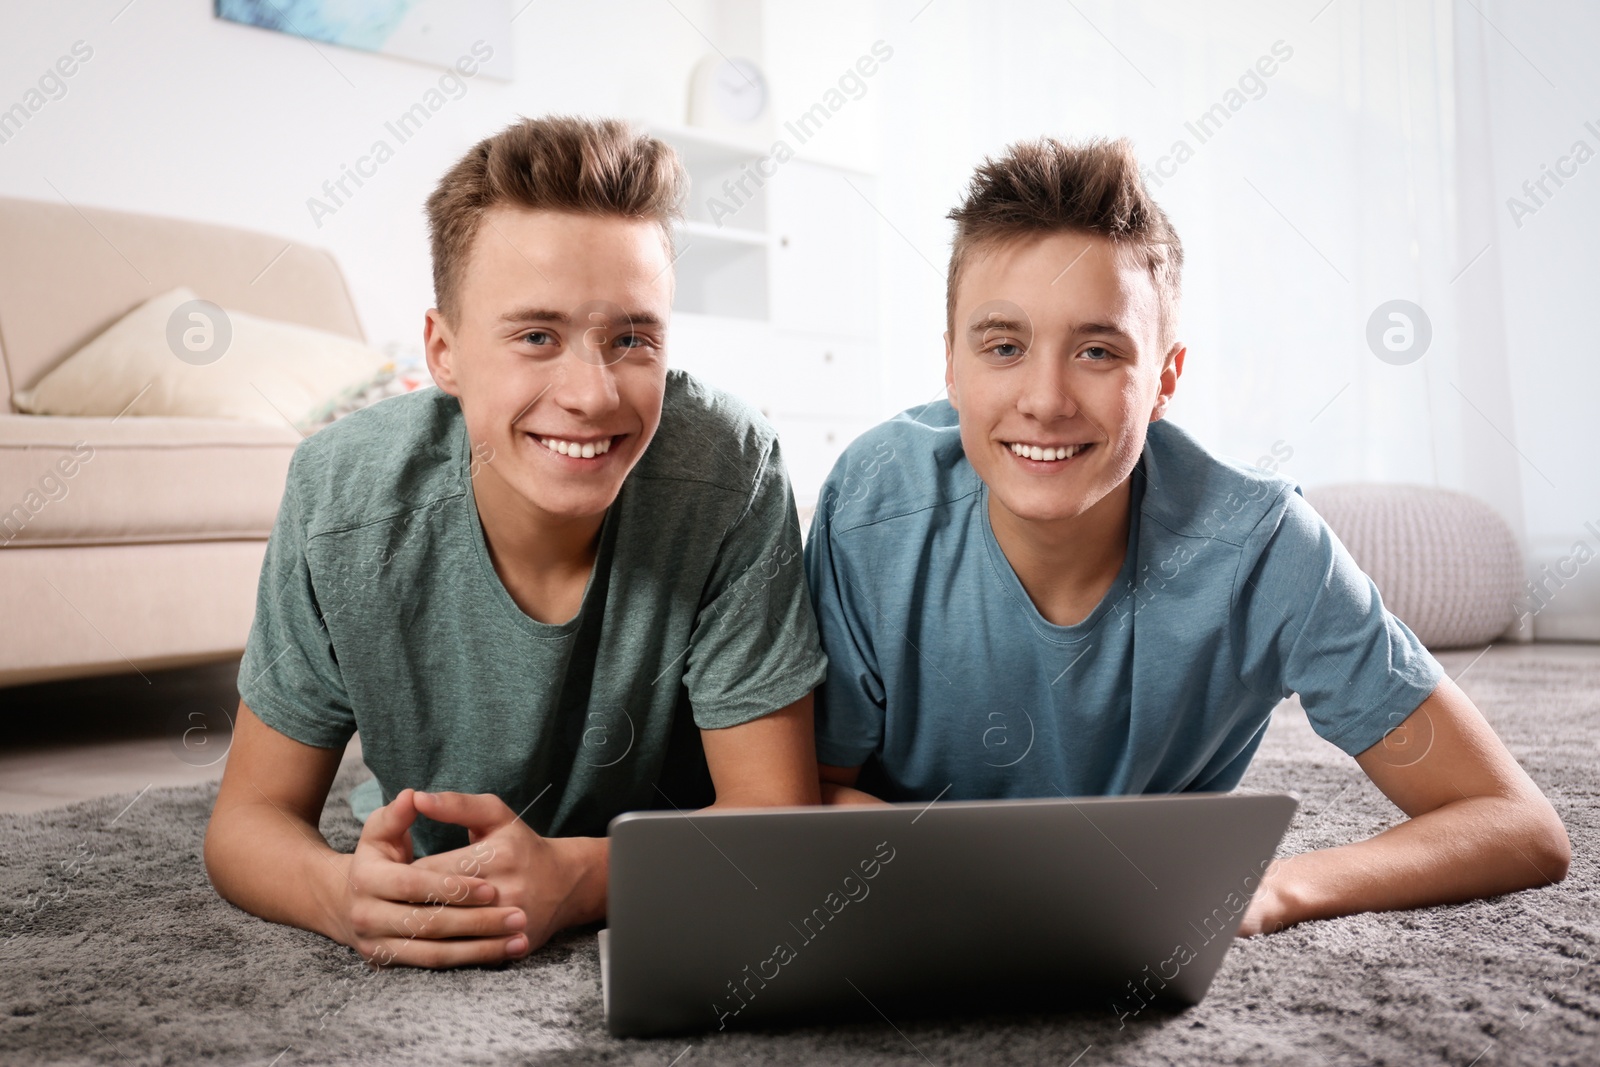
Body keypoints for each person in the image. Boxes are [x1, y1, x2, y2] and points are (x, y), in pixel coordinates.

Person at [803, 136, 1569, 936]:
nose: (1046, 398)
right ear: (953, 368)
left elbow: (1514, 821)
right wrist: (996, 880)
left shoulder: (1262, 548)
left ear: (1166, 378)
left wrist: (1272, 887)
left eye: (1098, 350)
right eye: (1004, 346)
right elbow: (802, 790)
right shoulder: (871, 507)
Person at [205, 116, 827, 968]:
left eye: (632, 338)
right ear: (444, 352)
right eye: (537, 336)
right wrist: (339, 893)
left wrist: (576, 876)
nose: (592, 393)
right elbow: (247, 821)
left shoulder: (729, 469)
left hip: (653, 824)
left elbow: (774, 820)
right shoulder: (339, 495)